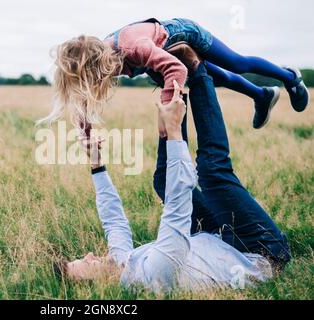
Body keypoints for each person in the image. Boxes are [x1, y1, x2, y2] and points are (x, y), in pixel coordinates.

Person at [55, 63, 291, 293]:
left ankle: (172, 81)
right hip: (260, 251)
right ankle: (198, 72)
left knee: (163, 179)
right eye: (85, 265)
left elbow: (113, 221)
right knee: (212, 173)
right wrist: (174, 131)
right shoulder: (154, 276)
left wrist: (96, 163)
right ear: (99, 286)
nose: (88, 256)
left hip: (217, 237)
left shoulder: (122, 266)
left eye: (80, 258)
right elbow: (178, 206)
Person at [37, 18, 309, 132]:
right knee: (217, 79)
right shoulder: (102, 64)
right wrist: (85, 131)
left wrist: (168, 114)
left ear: (96, 67)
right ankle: (262, 96)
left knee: (235, 64)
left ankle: (289, 78)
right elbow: (84, 96)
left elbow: (175, 69)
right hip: (164, 49)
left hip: (184, 33)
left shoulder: (134, 48)